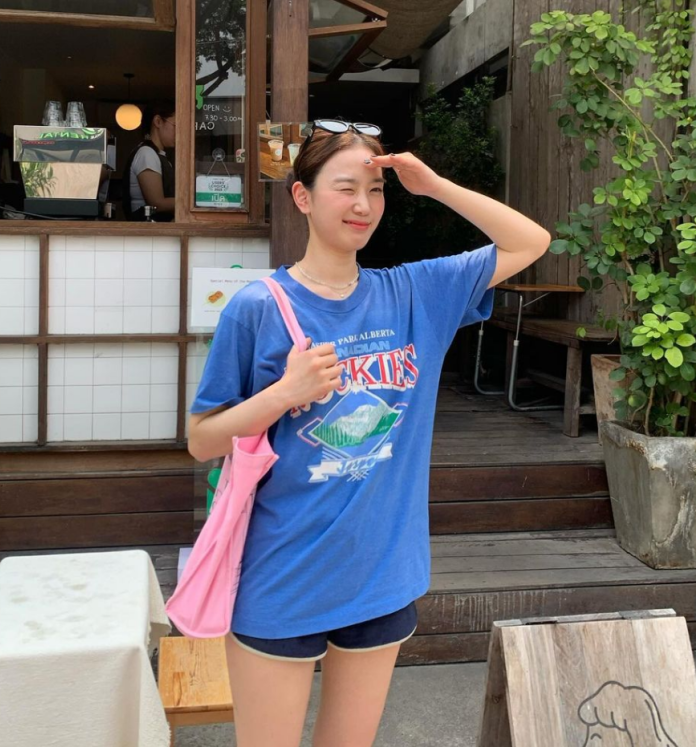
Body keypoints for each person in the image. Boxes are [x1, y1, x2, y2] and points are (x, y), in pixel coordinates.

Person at [187, 119, 551, 747]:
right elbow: (202, 439)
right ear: (302, 197)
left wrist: (434, 187)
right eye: (345, 188)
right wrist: (284, 393)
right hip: (282, 576)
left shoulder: (414, 293)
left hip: (380, 575)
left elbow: (531, 241)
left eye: (375, 191)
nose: (363, 205)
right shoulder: (258, 307)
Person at [122, 100, 175, 221]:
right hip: (145, 228)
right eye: (176, 125)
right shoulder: (146, 154)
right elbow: (157, 203)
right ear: (158, 121)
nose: (180, 131)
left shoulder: (158, 155)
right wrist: (192, 202)